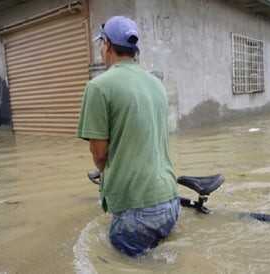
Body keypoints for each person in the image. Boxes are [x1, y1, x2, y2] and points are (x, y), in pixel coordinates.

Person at [76, 15, 179, 257]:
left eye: (101, 44)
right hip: (170, 202)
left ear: (107, 45)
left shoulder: (99, 86)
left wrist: (106, 174)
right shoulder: (156, 85)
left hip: (137, 211)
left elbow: (99, 154)